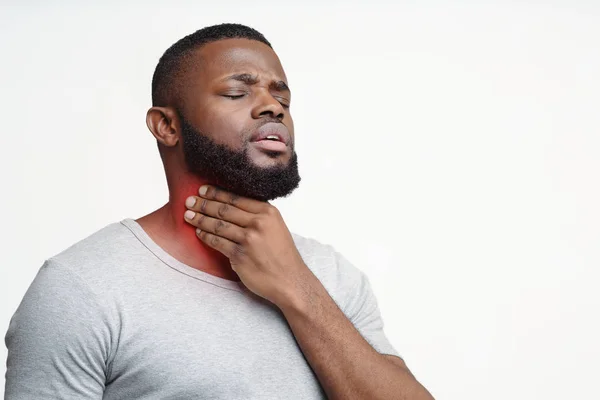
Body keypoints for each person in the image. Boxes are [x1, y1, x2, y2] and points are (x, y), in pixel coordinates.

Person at [4, 23, 433, 399]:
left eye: (282, 97)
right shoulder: (82, 289)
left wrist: (297, 286)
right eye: (236, 92)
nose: (273, 107)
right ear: (167, 126)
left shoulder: (333, 276)